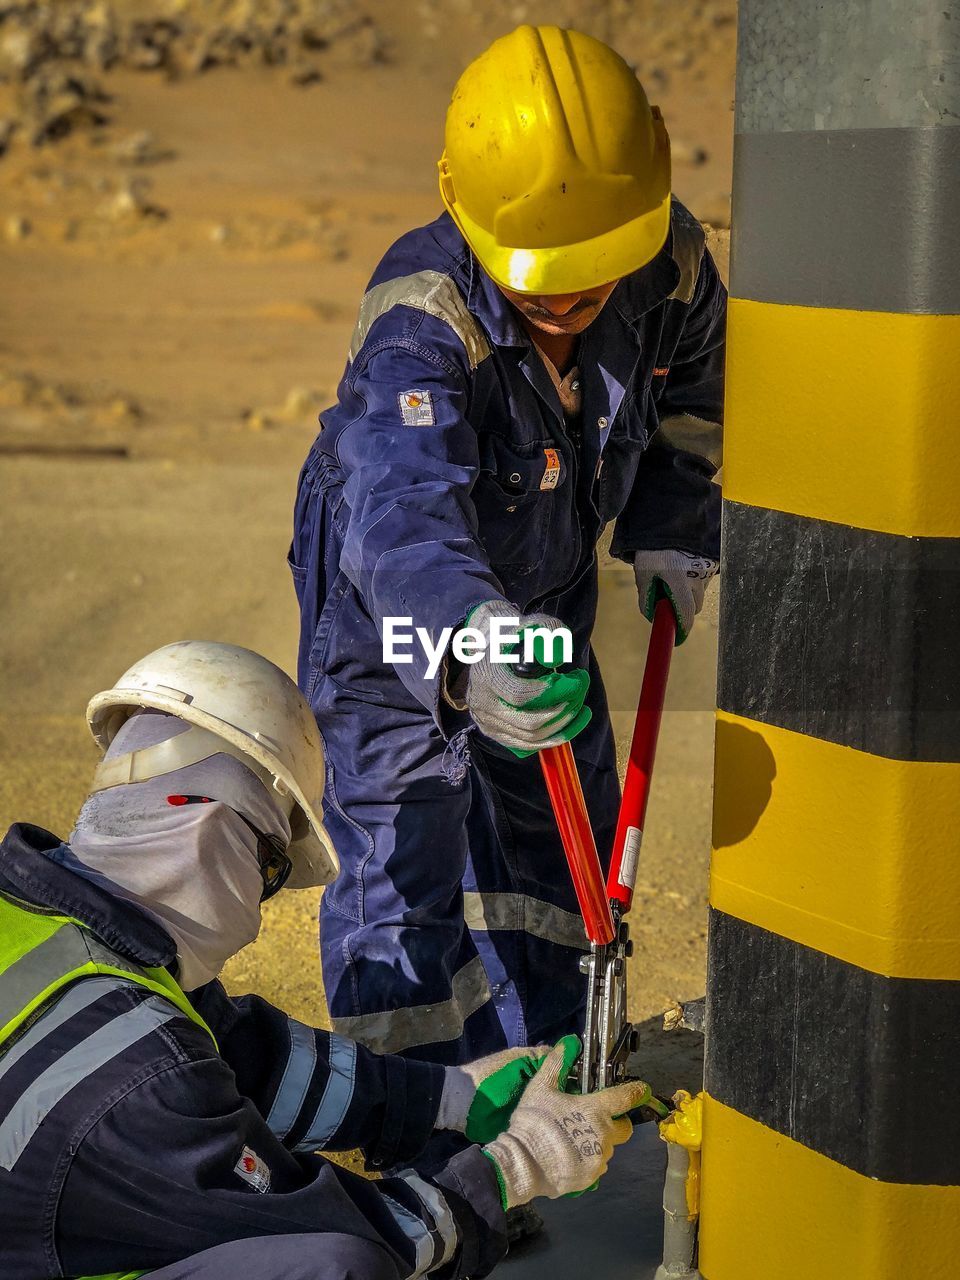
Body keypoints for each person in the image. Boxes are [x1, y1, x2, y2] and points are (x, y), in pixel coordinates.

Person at [291, 25, 724, 1066]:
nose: (568, 297)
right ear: (460, 205)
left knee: (559, 824)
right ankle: (421, 1125)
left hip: (544, 589)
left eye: (594, 267)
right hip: (397, 612)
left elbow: (691, 410)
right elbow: (403, 515)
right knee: (407, 838)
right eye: (540, 274)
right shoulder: (422, 322)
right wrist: (466, 644)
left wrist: (671, 530)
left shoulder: (668, 265)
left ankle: (565, 1063)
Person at [0, 641, 649, 1280]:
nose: (263, 898)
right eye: (273, 866)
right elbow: (326, 1231)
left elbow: (243, 1059)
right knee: (339, 1264)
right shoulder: (140, 1074)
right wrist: (514, 1169)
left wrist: (453, 1096)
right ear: (211, 829)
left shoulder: (54, 927)